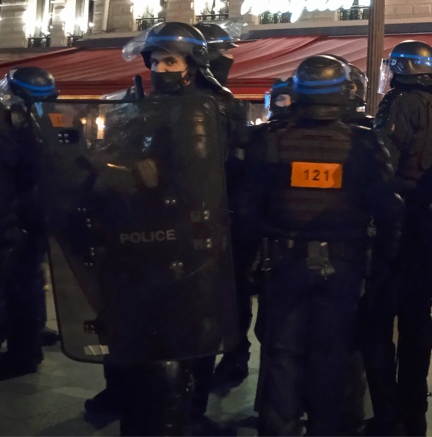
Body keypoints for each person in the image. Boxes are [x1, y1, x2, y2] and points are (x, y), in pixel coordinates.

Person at [88, 22, 241, 435]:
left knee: (189, 338)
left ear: (192, 64)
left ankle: (188, 412)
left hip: (193, 236)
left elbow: (201, 175)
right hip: (144, 236)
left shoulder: (214, 107)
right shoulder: (142, 103)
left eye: (169, 60)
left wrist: (149, 174)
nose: (160, 68)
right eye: (155, 60)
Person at [239, 55, 403, 436]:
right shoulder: (363, 143)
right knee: (332, 356)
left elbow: (248, 208)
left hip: (282, 263)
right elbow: (388, 208)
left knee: (281, 355)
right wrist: (382, 266)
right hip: (342, 265)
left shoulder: (270, 139)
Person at [362, 40, 432, 435]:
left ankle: (387, 414)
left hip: (398, 225)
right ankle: (414, 410)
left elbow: (382, 161)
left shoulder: (399, 102)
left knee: (377, 322)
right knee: (418, 319)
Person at [195, 22, 254, 392]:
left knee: (233, 292)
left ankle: (234, 354)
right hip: (199, 209)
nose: (231, 60)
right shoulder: (211, 102)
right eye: (225, 53)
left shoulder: (225, 103)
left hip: (227, 211)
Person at [0, 67, 58, 380]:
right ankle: (28, 346)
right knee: (26, 285)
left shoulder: (13, 129)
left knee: (15, 288)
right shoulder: (46, 125)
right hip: (31, 220)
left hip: (14, 220)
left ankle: (24, 351)